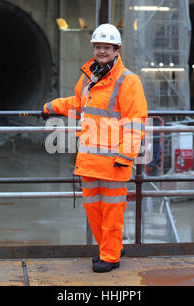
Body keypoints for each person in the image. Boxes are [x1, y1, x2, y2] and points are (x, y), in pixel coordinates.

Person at [43, 24, 148, 273]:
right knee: (94, 211)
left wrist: (125, 156)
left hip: (113, 162)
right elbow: (78, 104)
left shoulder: (128, 81)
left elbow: (135, 121)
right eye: (98, 46)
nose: (102, 51)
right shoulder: (89, 77)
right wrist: (51, 107)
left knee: (112, 212)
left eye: (107, 47)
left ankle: (110, 256)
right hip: (89, 161)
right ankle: (107, 248)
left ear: (116, 50)